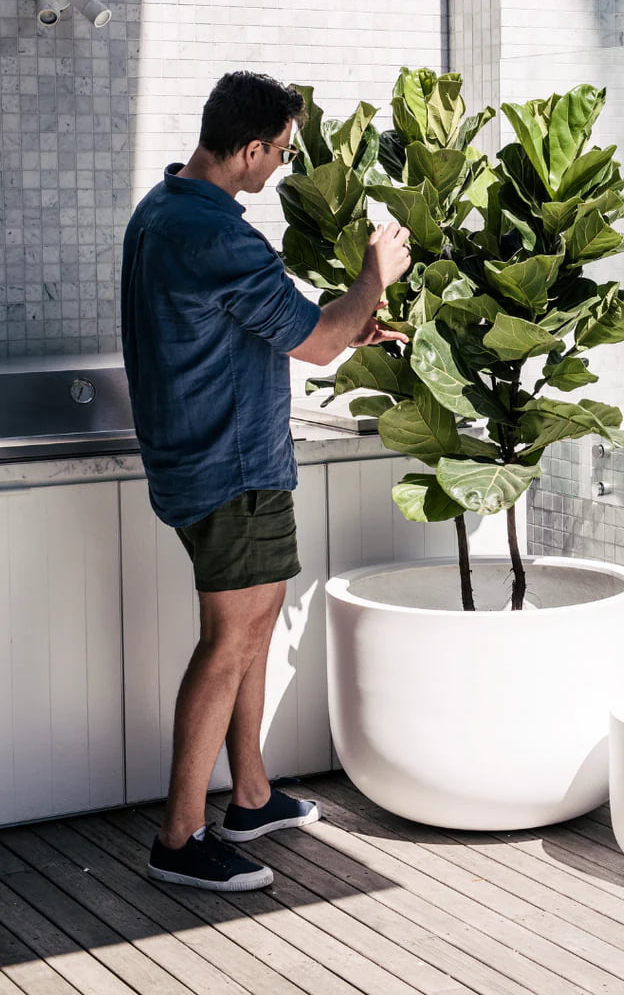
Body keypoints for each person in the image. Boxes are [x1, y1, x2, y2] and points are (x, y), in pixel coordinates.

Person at [120, 71, 410, 892]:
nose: (282, 165)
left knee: (256, 614)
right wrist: (372, 273)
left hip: (206, 457)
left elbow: (265, 324)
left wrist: (349, 320)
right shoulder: (218, 238)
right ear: (247, 149)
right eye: (279, 152)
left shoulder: (164, 209)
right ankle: (179, 839)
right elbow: (315, 344)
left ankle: (249, 794)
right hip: (231, 468)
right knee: (232, 639)